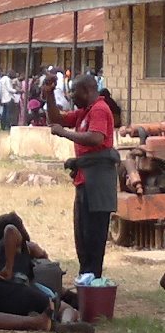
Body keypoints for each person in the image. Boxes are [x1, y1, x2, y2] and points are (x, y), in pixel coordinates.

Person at [45, 74, 118, 278]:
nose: (71, 95)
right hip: (85, 179)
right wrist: (49, 95)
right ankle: (86, 277)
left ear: (87, 90)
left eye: (74, 91)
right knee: (82, 235)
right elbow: (57, 119)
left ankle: (92, 279)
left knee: (93, 235)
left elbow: (95, 138)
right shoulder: (84, 112)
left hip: (98, 182)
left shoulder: (99, 110)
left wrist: (64, 133)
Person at [0, 214, 92, 333]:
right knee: (65, 308)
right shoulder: (20, 244)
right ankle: (66, 323)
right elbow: (10, 230)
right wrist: (9, 268)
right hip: (10, 289)